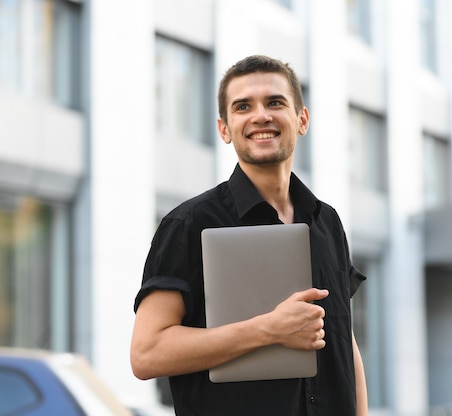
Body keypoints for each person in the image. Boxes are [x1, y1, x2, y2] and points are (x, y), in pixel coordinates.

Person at [130, 55, 368, 415]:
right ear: (224, 129)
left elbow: (343, 342)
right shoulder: (190, 224)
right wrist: (269, 330)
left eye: (275, 102)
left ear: (301, 119)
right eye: (243, 107)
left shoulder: (328, 221)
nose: (261, 116)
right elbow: (147, 353)